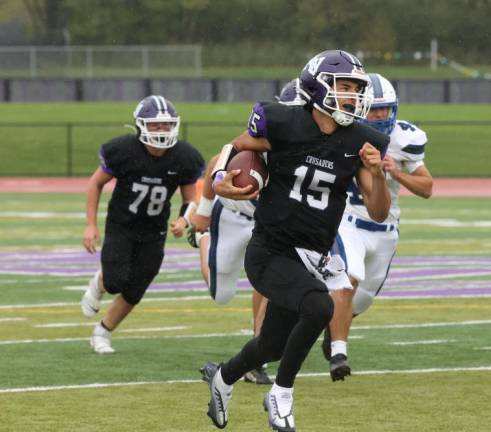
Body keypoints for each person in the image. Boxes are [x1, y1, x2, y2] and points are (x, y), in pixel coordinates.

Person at [199, 50, 390, 431]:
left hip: (312, 256)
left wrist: (378, 174)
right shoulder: (285, 121)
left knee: (271, 345)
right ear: (318, 87)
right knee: (319, 307)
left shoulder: (361, 141)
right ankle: (281, 394)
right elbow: (237, 146)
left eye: (356, 89)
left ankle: (223, 377)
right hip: (270, 250)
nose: (352, 96)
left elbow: (379, 211)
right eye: (344, 87)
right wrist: (221, 176)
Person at [186, 80, 306, 385]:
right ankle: (203, 239)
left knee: (270, 281)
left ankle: (258, 354)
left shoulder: (318, 147)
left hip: (267, 224)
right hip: (231, 215)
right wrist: (202, 213)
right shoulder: (267, 137)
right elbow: (219, 160)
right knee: (221, 294)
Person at [323, 73, 434, 380]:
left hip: (386, 228)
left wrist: (395, 173)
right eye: (374, 109)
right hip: (349, 219)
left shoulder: (403, 138)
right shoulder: (344, 132)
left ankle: (333, 328)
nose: (380, 115)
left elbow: (427, 187)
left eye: (385, 109)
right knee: (349, 278)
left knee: (363, 299)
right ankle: (339, 353)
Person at [81, 95, 205, 354]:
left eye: (167, 125)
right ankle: (100, 282)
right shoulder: (124, 150)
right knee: (115, 281)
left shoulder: (184, 156)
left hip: (155, 230)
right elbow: (96, 183)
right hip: (122, 225)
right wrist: (90, 224)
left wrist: (184, 219)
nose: (162, 130)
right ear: (141, 126)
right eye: (155, 125)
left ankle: (102, 332)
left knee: (136, 288)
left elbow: (190, 197)